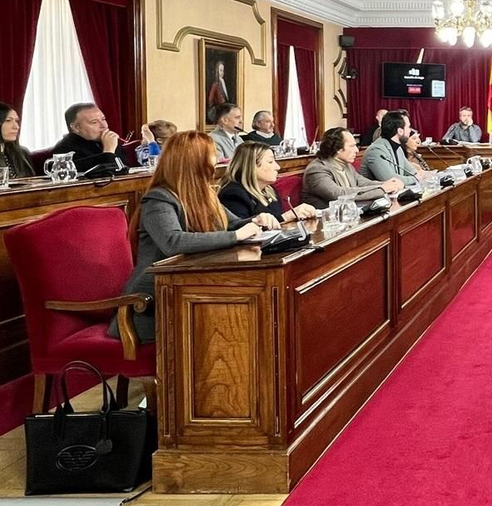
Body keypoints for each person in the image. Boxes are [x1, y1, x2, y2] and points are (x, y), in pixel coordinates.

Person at [121, 131, 267, 341]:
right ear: (194, 161)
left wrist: (256, 221)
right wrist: (235, 236)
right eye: (213, 154)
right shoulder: (158, 198)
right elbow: (173, 242)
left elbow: (233, 223)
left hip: (192, 285)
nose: (218, 160)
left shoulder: (205, 193)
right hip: (153, 301)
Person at [219, 141, 315, 227]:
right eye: (270, 162)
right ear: (252, 166)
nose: (277, 167)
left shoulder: (270, 190)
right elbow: (242, 230)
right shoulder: (233, 194)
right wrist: (288, 216)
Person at [302, 127, 404, 208]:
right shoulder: (316, 169)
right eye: (352, 146)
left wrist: (389, 184)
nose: (356, 150)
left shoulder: (346, 165)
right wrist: (382, 189)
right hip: (325, 225)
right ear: (338, 149)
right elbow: (339, 194)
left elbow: (363, 182)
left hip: (348, 216)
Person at [48, 102, 127, 176]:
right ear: (76, 127)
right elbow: (103, 176)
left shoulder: (106, 140)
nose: (104, 126)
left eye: (103, 119)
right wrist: (108, 151)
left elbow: (126, 169)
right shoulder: (65, 149)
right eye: (94, 122)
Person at [360, 110, 420, 189]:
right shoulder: (376, 151)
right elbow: (391, 180)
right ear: (400, 131)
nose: (410, 130)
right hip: (376, 199)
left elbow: (412, 171)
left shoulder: (398, 148)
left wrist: (423, 175)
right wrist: (416, 178)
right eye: (408, 127)